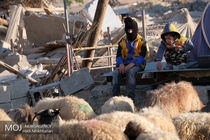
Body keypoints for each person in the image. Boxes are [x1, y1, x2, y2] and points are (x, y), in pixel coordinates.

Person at [112, 16, 149, 102]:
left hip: (137, 65)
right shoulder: (122, 41)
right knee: (115, 73)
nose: (130, 32)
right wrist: (120, 64)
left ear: (135, 29)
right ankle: (115, 98)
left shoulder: (142, 41)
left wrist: (131, 65)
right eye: (128, 30)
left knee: (130, 72)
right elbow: (119, 55)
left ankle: (130, 98)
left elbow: (143, 57)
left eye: (131, 30)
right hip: (124, 65)